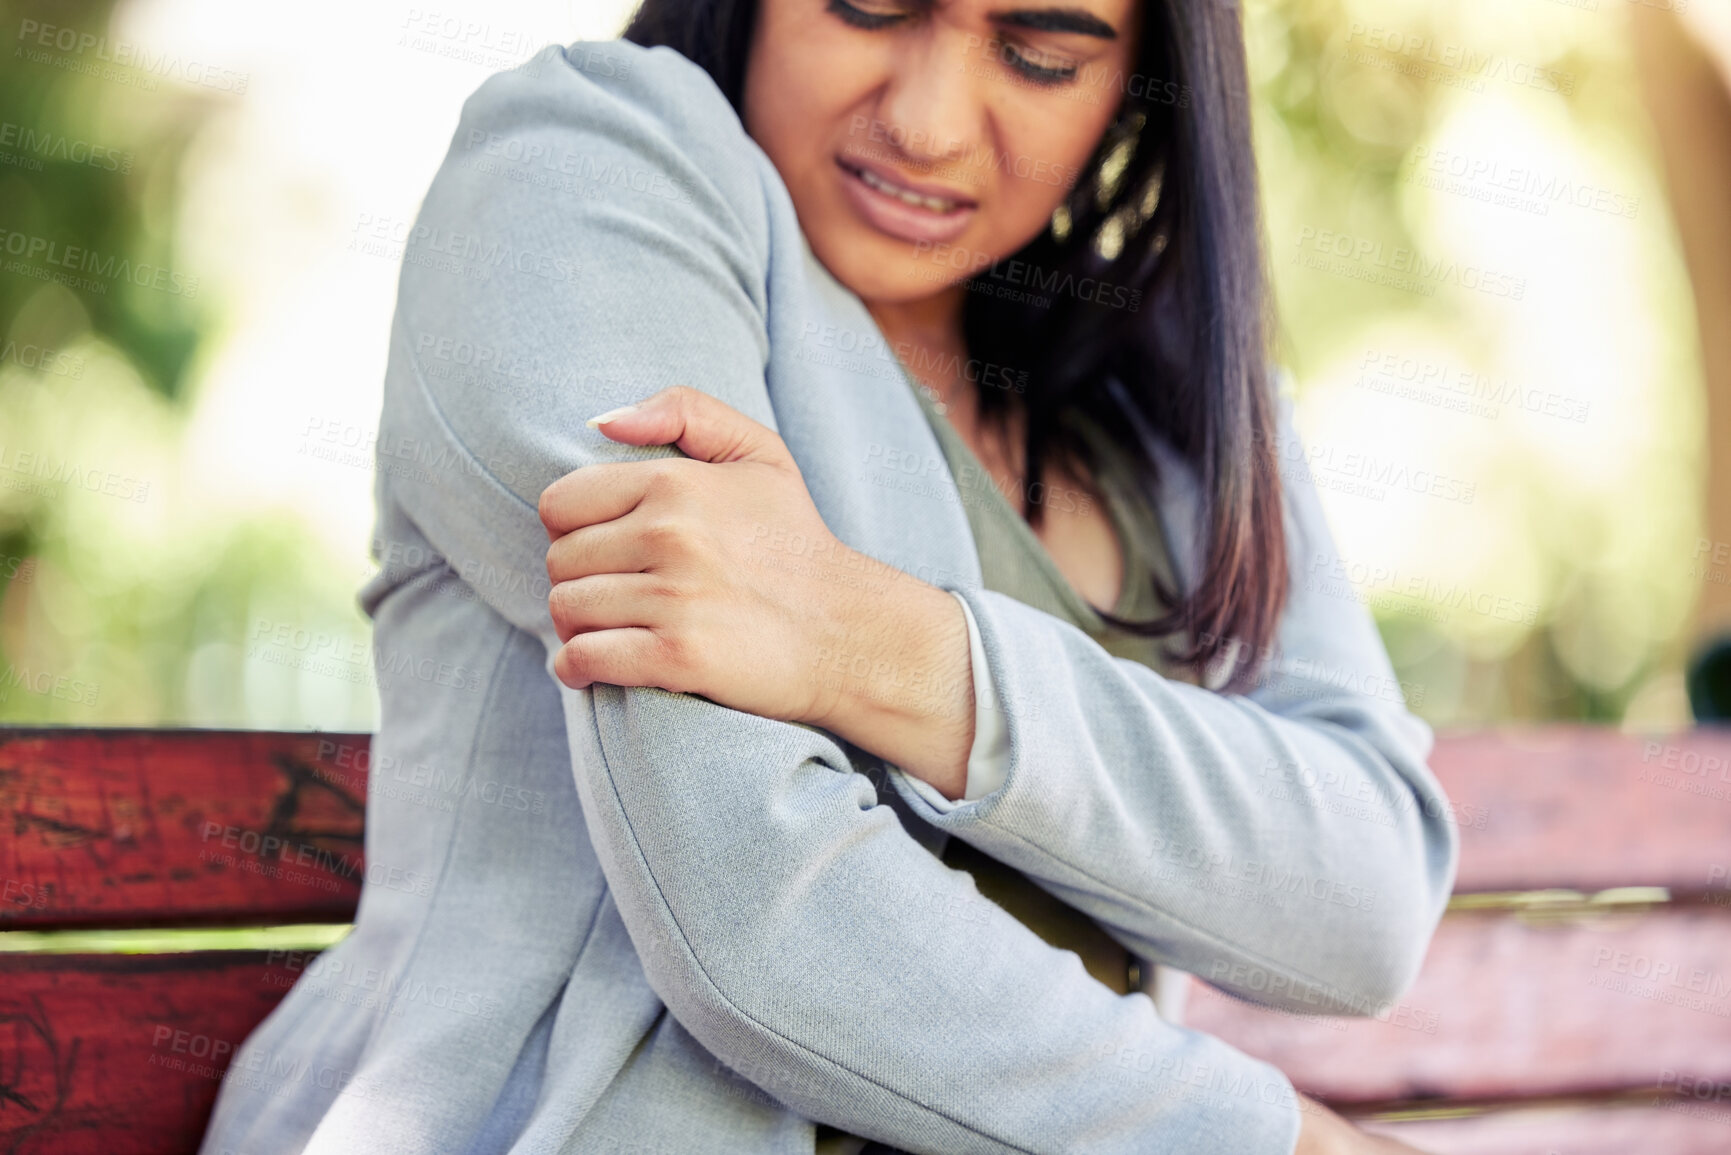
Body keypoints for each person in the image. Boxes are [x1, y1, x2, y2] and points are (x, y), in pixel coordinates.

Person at [201, 1, 1457, 1151]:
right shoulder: (587, 170)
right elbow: (761, 914)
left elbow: (1367, 901)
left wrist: (880, 646)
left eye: (1039, 54)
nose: (924, 120)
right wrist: (1283, 1141)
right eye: (867, 2)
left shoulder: (1171, 396)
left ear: (1141, 81)